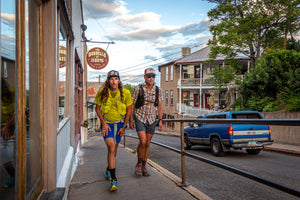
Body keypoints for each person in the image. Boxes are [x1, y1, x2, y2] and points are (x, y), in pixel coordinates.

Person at [94, 70, 132, 191]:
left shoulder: (125, 93)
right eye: (111, 79)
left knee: (113, 150)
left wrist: (124, 126)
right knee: (111, 147)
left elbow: (129, 109)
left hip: (120, 125)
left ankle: (108, 169)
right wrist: (103, 123)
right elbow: (97, 108)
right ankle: (114, 180)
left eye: (116, 79)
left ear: (119, 80)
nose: (114, 81)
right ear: (108, 81)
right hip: (108, 125)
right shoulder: (102, 92)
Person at [129, 67, 163, 177]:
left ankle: (144, 164)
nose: (151, 78)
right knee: (142, 142)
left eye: (153, 76)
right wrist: (131, 119)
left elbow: (160, 106)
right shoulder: (138, 88)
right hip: (140, 117)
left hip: (152, 119)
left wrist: (161, 120)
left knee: (147, 143)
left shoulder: (158, 90)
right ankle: (139, 163)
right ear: (145, 77)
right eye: (149, 76)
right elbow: (132, 104)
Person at [1, 77, 16, 188]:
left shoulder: (10, 93)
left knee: (2, 151)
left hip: (7, 125)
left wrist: (7, 126)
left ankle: (12, 175)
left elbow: (18, 111)